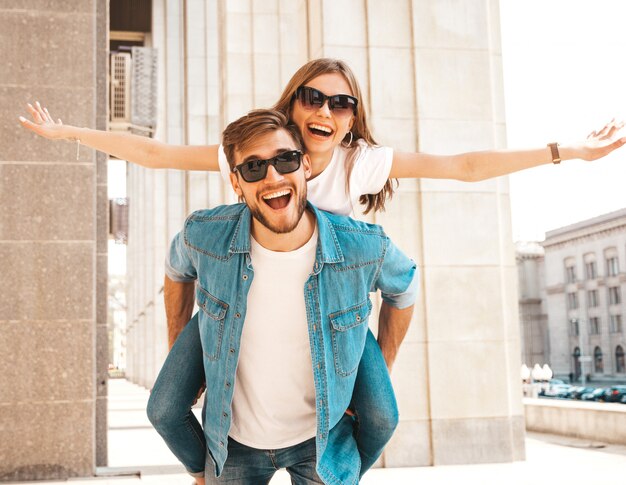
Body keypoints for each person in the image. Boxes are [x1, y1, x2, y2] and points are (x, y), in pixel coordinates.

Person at [19, 57, 626, 477]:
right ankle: (211, 466)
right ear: (294, 104)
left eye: (342, 102)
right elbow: (153, 153)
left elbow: (461, 166)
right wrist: (67, 134)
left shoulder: (359, 163)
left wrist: (565, 152)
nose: (326, 110)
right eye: (314, 96)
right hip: (244, 304)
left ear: (351, 119)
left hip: (331, 312)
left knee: (382, 410)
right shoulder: (256, 149)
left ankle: (332, 469)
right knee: (166, 404)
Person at [161, 108, 417, 484]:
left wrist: (381, 365)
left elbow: (405, 287)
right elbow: (175, 270)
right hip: (233, 443)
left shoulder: (362, 246)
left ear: (307, 166)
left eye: (286, 160)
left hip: (322, 445)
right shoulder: (205, 235)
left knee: (383, 417)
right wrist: (182, 349)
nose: (273, 177)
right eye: (253, 168)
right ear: (236, 182)